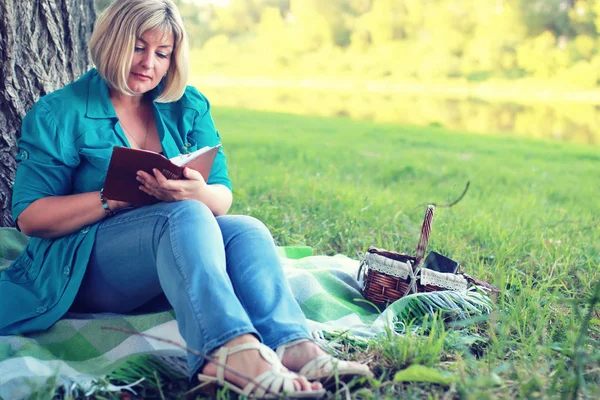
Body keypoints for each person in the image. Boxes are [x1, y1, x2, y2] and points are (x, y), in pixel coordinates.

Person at [0, 0, 372, 397]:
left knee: (245, 228)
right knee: (183, 217)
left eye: (163, 53)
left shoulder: (187, 105)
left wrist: (197, 191)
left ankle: (295, 346)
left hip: (170, 255)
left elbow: (221, 195)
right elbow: (31, 218)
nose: (149, 63)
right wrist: (117, 198)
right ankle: (229, 351)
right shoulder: (59, 112)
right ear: (111, 42)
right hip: (82, 267)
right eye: (138, 47)